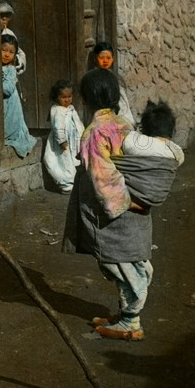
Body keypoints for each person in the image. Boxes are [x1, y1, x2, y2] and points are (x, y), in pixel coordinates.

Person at [62, 68, 175, 341]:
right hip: (133, 205)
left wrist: (128, 203)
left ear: (87, 99)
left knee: (121, 264)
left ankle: (130, 323)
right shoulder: (124, 123)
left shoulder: (95, 131)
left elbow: (105, 178)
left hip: (116, 210)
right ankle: (127, 315)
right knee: (131, 260)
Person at [43, 79, 85, 194]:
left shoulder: (70, 108)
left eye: (69, 96)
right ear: (56, 97)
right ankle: (66, 185)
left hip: (73, 140)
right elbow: (58, 127)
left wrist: (83, 134)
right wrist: (62, 141)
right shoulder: (57, 110)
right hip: (62, 143)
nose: (67, 100)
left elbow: (77, 122)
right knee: (64, 162)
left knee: (74, 161)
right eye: (63, 97)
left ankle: (75, 183)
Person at [1, 33, 37, 158]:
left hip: (10, 104)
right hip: (3, 104)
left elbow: (8, 89)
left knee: (10, 122)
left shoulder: (11, 70)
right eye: (4, 50)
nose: (6, 54)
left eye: (11, 52)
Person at [90, 41, 135, 128]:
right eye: (101, 57)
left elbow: (123, 104)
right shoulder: (93, 79)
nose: (105, 61)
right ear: (95, 58)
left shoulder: (116, 79)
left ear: (113, 59)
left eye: (108, 58)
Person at [0, 0, 26, 75]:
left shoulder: (9, 33)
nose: (4, 19)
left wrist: (17, 61)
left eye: (7, 16)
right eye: (1, 15)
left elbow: (20, 53)